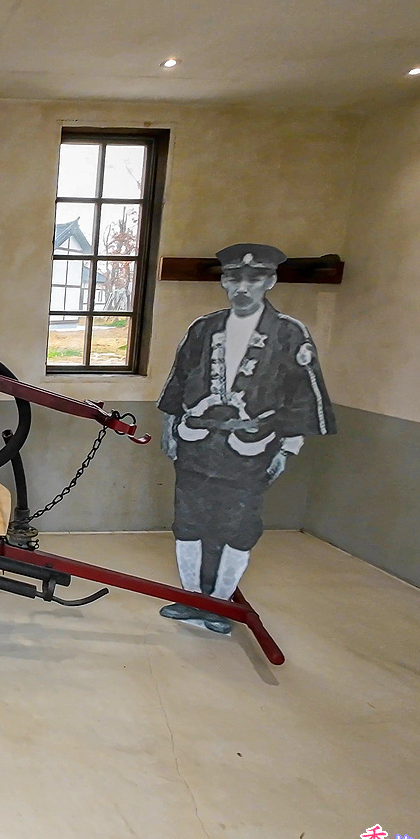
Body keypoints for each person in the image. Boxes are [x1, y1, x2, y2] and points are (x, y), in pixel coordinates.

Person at [157, 243, 335, 634]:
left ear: (270, 281)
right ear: (224, 281)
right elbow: (179, 382)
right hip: (198, 443)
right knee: (188, 522)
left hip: (251, 448)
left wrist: (288, 448)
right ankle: (192, 598)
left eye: (253, 279)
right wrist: (170, 430)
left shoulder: (289, 333)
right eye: (234, 278)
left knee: (237, 526)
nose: (242, 287)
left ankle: (220, 604)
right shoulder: (204, 329)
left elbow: (301, 395)